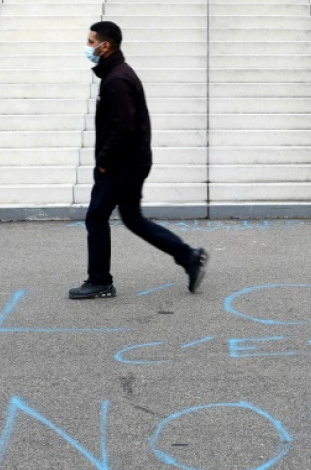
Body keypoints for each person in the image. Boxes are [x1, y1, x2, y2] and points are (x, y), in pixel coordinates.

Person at [70, 21, 208, 300]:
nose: (87, 48)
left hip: (122, 165)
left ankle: (100, 281)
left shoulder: (117, 80)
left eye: (90, 42)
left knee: (96, 216)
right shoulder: (115, 74)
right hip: (132, 162)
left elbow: (124, 127)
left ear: (104, 45)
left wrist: (104, 162)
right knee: (132, 218)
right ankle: (188, 256)